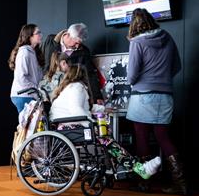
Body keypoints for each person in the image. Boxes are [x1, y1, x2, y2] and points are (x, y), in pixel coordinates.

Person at [49, 52, 161, 180]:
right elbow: (77, 111)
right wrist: (92, 123)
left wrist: (102, 109)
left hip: (65, 125)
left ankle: (128, 167)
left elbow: (85, 108)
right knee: (104, 137)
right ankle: (137, 167)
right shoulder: (77, 88)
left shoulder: (72, 87)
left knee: (105, 136)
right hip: (68, 127)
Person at [126, 8, 188, 195]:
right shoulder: (167, 37)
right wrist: (162, 79)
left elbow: (131, 77)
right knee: (163, 137)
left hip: (143, 97)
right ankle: (182, 183)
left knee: (142, 138)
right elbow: (177, 66)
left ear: (134, 24)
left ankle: (144, 183)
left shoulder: (137, 42)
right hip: (165, 95)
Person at [41, 23, 103, 104]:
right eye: (76, 42)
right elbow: (43, 64)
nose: (77, 46)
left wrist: (97, 96)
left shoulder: (84, 51)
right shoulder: (50, 41)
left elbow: (90, 74)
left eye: (79, 43)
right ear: (67, 35)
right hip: (48, 91)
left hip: (69, 94)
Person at [9, 24, 44, 113]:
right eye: (38, 33)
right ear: (30, 36)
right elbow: (21, 77)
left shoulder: (34, 52)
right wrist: (35, 89)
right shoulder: (24, 53)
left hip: (30, 95)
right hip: (23, 95)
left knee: (31, 125)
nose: (41, 35)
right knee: (28, 126)